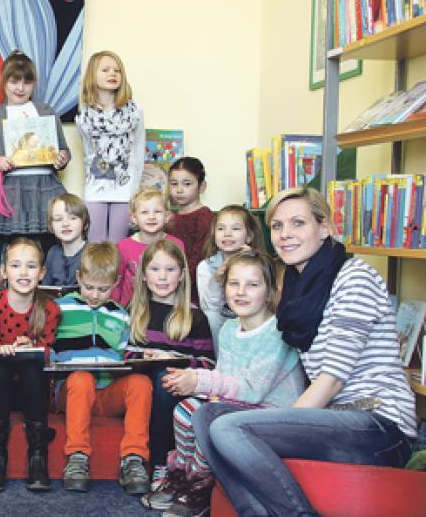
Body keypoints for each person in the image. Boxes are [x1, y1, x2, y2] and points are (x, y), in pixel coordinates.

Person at [193, 187, 417, 517]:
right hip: (332, 419)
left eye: (298, 223)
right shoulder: (296, 287)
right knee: (206, 417)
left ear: (324, 228)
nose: (285, 235)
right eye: (277, 226)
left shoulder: (353, 278)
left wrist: (274, 423)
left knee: (229, 428)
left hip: (378, 424)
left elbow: (331, 380)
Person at [143, 249, 305, 515]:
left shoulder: (278, 334)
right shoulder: (230, 329)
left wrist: (198, 381)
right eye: (234, 283)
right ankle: (183, 476)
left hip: (269, 413)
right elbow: (225, 376)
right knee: (185, 410)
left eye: (252, 285)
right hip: (237, 405)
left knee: (208, 416)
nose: (241, 292)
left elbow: (252, 390)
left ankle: (200, 485)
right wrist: (198, 385)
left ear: (270, 291)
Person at [53, 243, 153, 495]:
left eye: (103, 289)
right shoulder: (61, 308)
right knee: (81, 378)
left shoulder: (120, 315)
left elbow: (124, 353)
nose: (95, 295)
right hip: (72, 390)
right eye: (89, 287)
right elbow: (47, 346)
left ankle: (133, 459)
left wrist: (140, 357)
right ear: (79, 278)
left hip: (107, 391)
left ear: (116, 283)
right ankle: (77, 457)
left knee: (141, 383)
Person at [0, 238, 61, 492]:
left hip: (32, 394)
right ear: (4, 272)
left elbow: (47, 354)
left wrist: (32, 347)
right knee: (2, 366)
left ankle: (38, 458)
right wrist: (0, 350)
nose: (23, 273)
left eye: (31, 266)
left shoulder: (49, 309)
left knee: (30, 367)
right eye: (15, 265)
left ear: (42, 272)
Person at [125, 240, 213, 475]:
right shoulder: (133, 311)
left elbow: (209, 364)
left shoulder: (195, 317)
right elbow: (124, 354)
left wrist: (173, 359)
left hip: (178, 385)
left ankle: (161, 465)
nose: (162, 277)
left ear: (182, 275)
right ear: (143, 275)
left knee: (166, 377)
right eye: (155, 269)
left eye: (170, 269)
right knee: (151, 380)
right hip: (142, 386)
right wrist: (144, 355)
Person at [0, 51, 71, 246]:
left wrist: (62, 158)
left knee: (47, 243)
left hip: (44, 186)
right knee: (12, 245)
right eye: (14, 81)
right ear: (3, 82)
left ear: (33, 84)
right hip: (12, 189)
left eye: (27, 82)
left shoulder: (46, 112)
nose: (20, 88)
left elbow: (64, 150)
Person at [75, 50, 145, 243]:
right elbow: (88, 156)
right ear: (92, 75)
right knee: (94, 246)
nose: (112, 74)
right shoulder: (84, 116)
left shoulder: (134, 112)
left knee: (118, 246)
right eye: (105, 70)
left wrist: (135, 190)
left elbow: (138, 154)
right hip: (95, 187)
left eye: (117, 70)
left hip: (125, 188)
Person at [196, 205, 264, 343]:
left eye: (236, 228)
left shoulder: (260, 263)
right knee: (210, 316)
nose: (227, 233)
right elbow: (209, 307)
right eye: (221, 228)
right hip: (221, 320)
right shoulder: (206, 267)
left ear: (249, 236)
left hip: (251, 317)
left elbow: (266, 302)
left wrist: (251, 263)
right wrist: (217, 280)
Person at [113, 187, 185, 306]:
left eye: (157, 211)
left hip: (166, 307)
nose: (151, 216)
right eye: (144, 212)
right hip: (130, 310)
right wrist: (116, 309)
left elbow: (182, 279)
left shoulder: (176, 244)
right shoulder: (123, 246)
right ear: (134, 218)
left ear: (167, 216)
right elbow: (116, 282)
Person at [164, 157, 213, 303]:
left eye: (187, 184)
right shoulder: (169, 218)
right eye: (174, 184)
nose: (179, 190)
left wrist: (181, 282)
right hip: (170, 282)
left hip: (194, 288)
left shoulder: (204, 216)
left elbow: (201, 257)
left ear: (201, 186)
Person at [42, 193, 89, 288]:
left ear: (85, 223)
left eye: (72, 218)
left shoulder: (94, 253)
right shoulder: (52, 253)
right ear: (51, 226)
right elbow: (46, 288)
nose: (65, 224)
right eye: (58, 219)